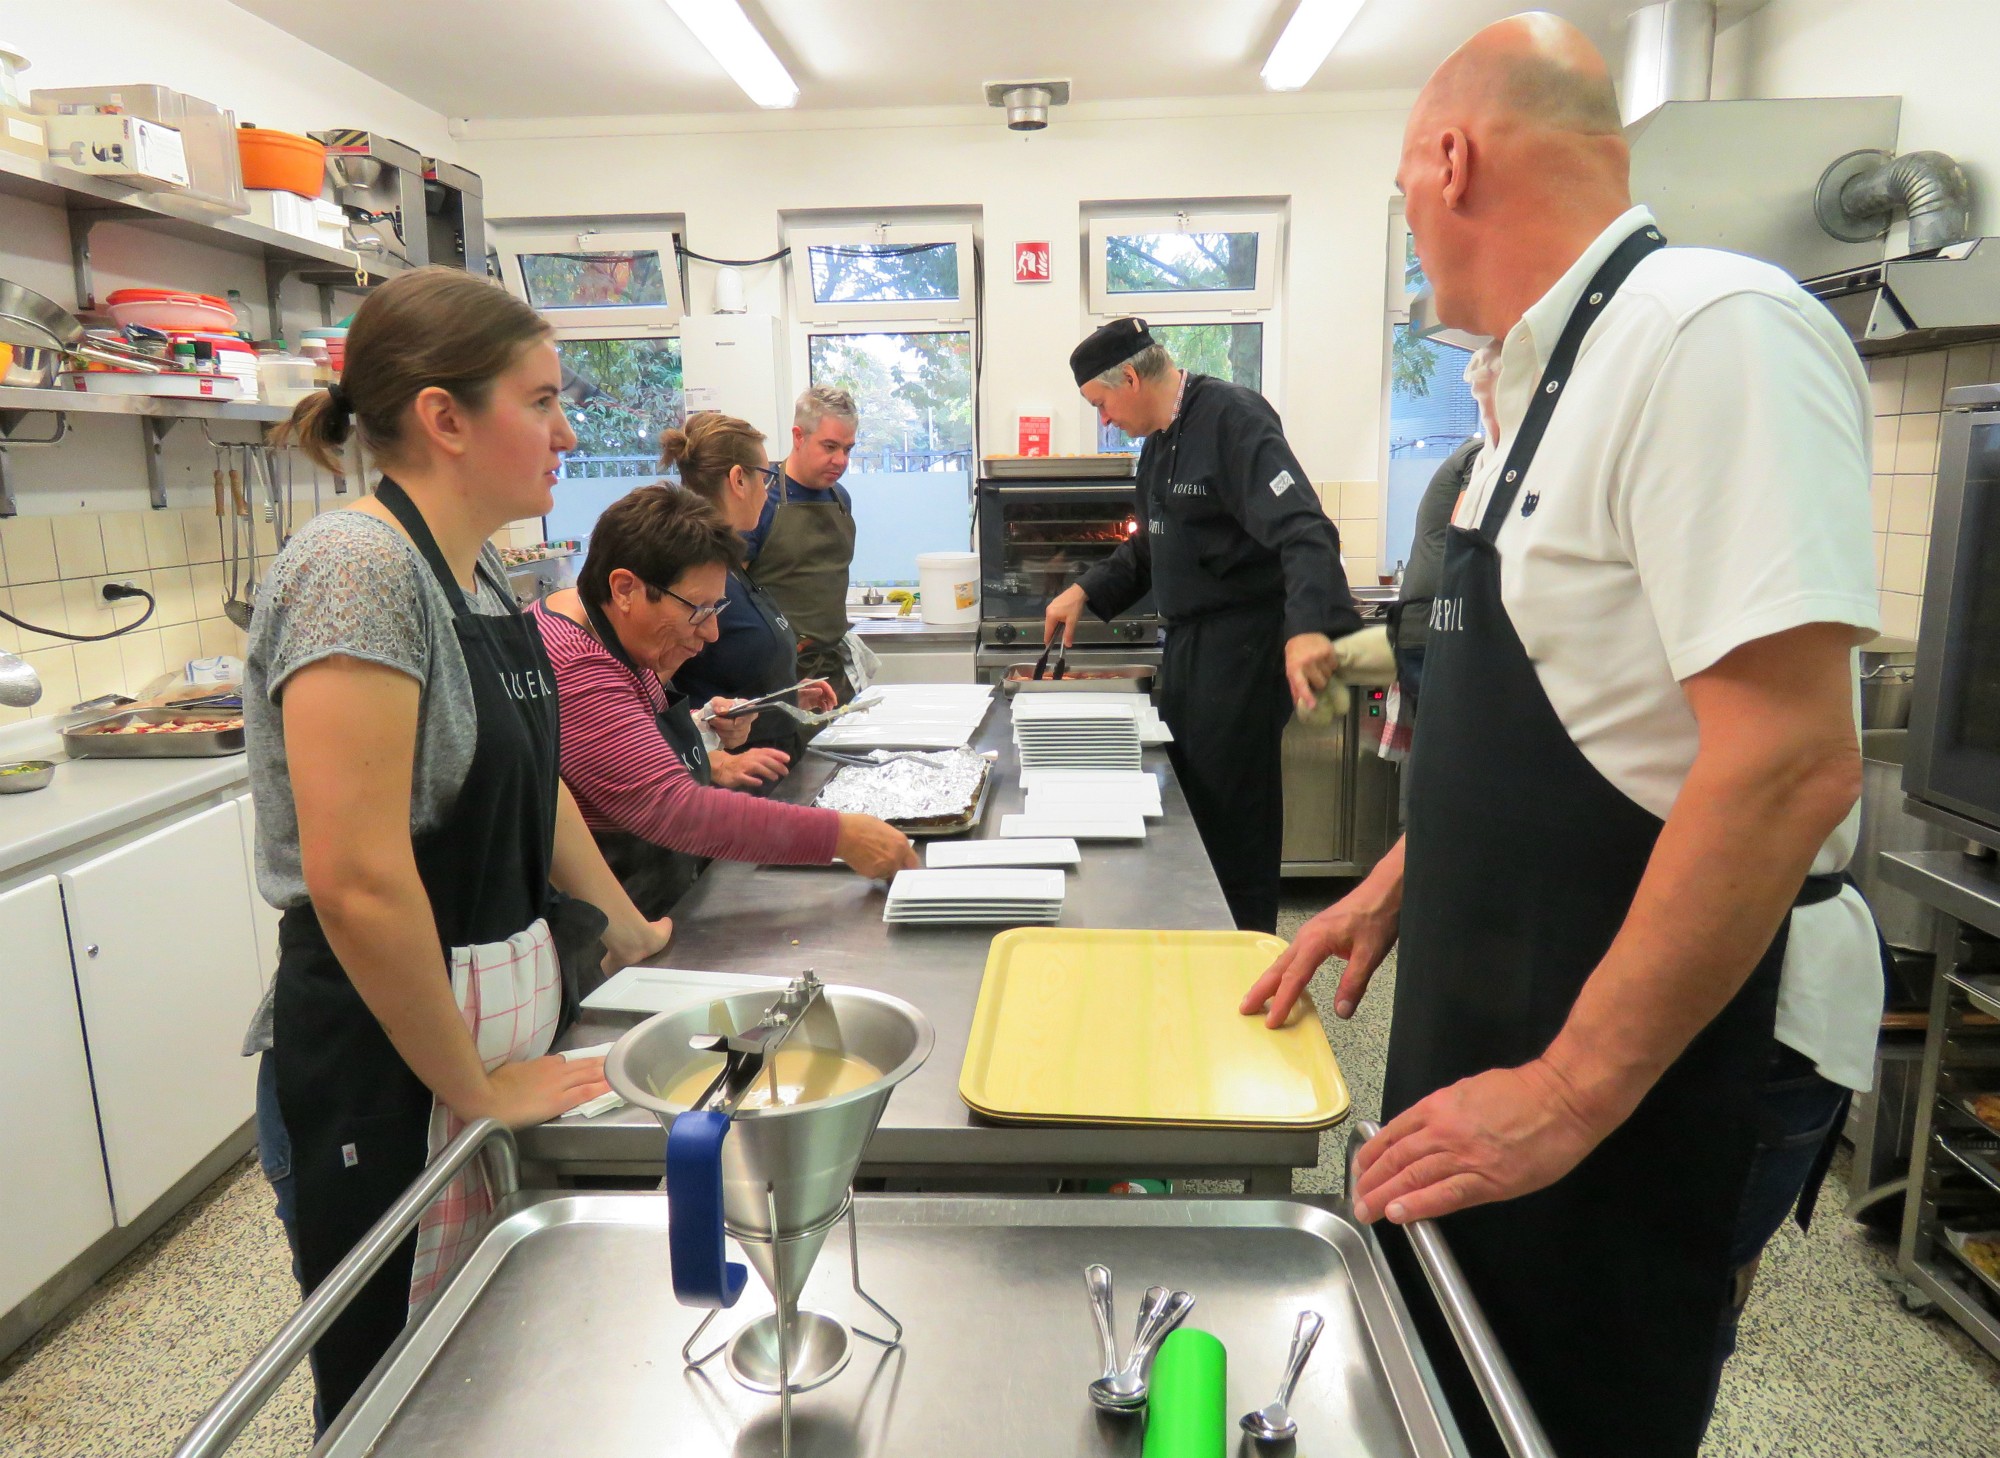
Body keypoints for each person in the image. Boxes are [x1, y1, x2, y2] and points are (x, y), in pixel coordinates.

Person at [1241, 17, 1883, 1457]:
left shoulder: (1711, 330)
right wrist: (1389, 884)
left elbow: (1785, 761)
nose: (1412, 233)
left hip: (1665, 1047)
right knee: (1477, 1376)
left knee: (1589, 1397)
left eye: (1405, 191)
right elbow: (1587, 713)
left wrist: (1573, 1089)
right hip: (1519, 992)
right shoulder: (1529, 396)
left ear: (1451, 157)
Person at [244, 267, 673, 1425]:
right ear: (445, 417)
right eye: (540, 401)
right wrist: (473, 1087)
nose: (567, 430)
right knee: (398, 1399)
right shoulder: (357, 572)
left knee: (490, 1370)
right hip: (385, 1069)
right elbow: (359, 880)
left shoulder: (478, 568)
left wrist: (627, 927)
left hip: (479, 1024)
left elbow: (533, 789)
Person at [1043, 322, 1371, 932]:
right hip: (1192, 649)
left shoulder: (1233, 418)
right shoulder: (1158, 445)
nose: (1105, 420)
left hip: (1244, 649)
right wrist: (1085, 589)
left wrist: (1309, 627)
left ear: (1132, 378)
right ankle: (1197, 940)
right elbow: (1152, 548)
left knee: (1234, 818)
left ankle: (1245, 953)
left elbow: (1306, 529)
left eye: (1101, 404)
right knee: (1192, 806)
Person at [529, 484, 917, 919]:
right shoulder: (575, 663)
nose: (712, 633)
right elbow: (674, 810)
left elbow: (619, 755)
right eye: (698, 610)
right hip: (617, 916)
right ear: (624, 589)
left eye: (717, 609)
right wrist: (841, 836)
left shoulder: (608, 629)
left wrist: (702, 734)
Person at [672, 411, 837, 764]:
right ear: (738, 480)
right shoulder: (690, 574)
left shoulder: (729, 564)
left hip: (774, 761)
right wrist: (712, 749)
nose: (768, 492)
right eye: (766, 478)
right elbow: (657, 700)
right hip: (730, 775)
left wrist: (787, 697)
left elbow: (737, 677)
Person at [745, 385, 860, 699]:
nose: (841, 460)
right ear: (799, 436)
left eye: (848, 449)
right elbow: (732, 599)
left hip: (835, 671)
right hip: (779, 676)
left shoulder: (840, 499)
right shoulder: (760, 498)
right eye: (830, 446)